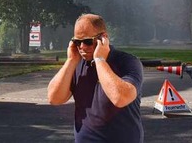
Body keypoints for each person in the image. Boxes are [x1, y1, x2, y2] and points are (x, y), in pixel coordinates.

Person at [47, 14, 143, 142]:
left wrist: (100, 59)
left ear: (103, 38)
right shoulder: (77, 64)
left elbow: (120, 98)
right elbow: (54, 98)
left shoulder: (127, 62)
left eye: (87, 41)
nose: (82, 47)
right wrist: (70, 60)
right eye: (77, 42)